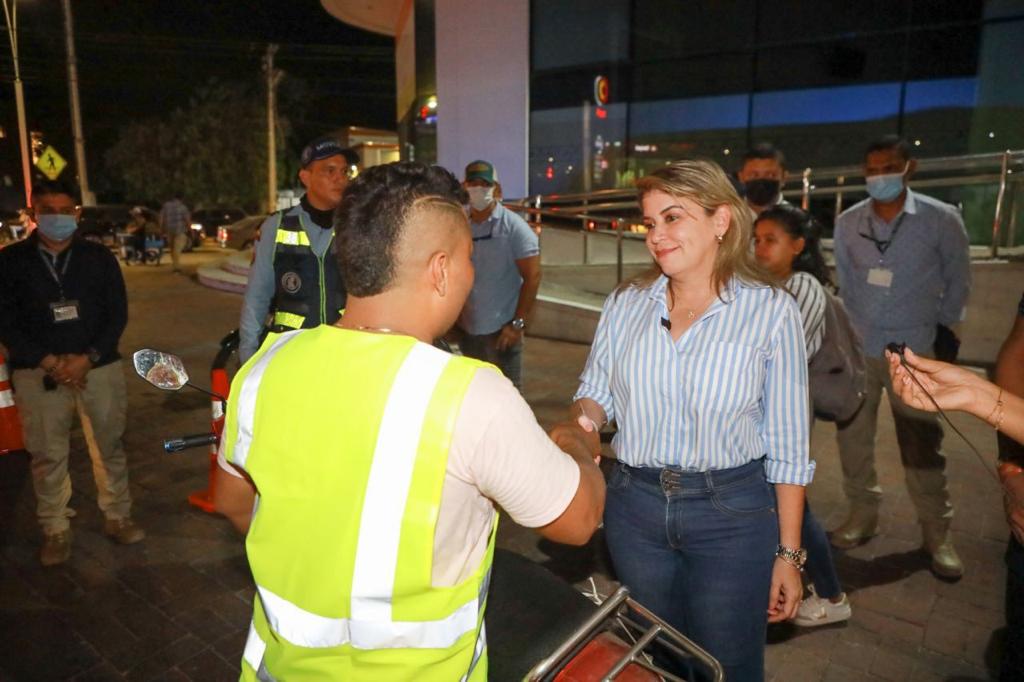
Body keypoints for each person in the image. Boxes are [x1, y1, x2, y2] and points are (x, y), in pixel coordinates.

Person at [213, 162, 604, 680]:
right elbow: (577, 522)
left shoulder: (266, 365)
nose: (471, 274)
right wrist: (577, 445)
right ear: (440, 269)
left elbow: (233, 501)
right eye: (468, 259)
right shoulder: (470, 395)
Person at [568, 159, 812, 680]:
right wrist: (579, 427)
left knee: (729, 664)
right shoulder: (627, 303)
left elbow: (790, 445)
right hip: (635, 506)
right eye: (650, 223)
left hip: (730, 513)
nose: (657, 235)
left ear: (721, 220)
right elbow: (594, 394)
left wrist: (789, 554)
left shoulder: (772, 312)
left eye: (672, 218)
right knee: (660, 657)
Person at [831, 135, 972, 580]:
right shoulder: (849, 221)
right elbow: (847, 283)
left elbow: (958, 278)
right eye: (872, 169)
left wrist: (946, 329)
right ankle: (862, 515)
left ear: (910, 167)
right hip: (859, 348)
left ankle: (937, 534)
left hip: (914, 351)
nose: (880, 176)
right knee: (853, 440)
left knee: (923, 445)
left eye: (889, 166)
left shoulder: (941, 219)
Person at [0, 178, 144, 567]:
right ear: (33, 215)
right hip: (38, 372)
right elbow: (6, 322)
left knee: (110, 446)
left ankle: (117, 516)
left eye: (66, 210)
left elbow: (117, 314)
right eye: (48, 210)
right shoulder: (11, 262)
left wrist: (88, 358)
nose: (58, 218)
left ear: (77, 213)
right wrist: (48, 361)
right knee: (47, 454)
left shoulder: (99, 258)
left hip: (98, 367)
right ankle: (55, 528)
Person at [754, 205, 852, 627]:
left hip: (781, 415)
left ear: (798, 246)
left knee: (793, 505)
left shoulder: (804, 287)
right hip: (757, 411)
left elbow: (782, 354)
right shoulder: (765, 285)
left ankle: (831, 594)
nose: (759, 248)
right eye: (755, 239)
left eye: (770, 240)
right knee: (781, 504)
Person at [238, 136, 356, 363]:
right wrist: (248, 360)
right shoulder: (276, 226)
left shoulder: (357, 225)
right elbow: (257, 298)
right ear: (306, 177)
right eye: (329, 171)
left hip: (344, 353)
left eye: (343, 172)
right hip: (290, 354)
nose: (339, 179)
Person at [455, 160, 541, 390]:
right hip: (468, 331)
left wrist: (517, 325)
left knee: (509, 398)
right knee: (473, 395)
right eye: (473, 183)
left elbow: (532, 276)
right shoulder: (459, 225)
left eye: (485, 183)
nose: (478, 189)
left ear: (497, 189)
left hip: (502, 333)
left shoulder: (515, 228)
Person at [737, 143, 789, 215]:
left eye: (770, 175)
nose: (761, 180)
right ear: (741, 177)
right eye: (753, 175)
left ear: (784, 177)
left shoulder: (798, 221)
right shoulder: (729, 219)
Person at [159, 193, 191, 273]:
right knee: (177, 248)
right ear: (182, 199)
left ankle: (175, 265)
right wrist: (190, 230)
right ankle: (176, 267)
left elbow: (162, 218)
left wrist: (161, 229)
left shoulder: (166, 206)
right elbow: (187, 220)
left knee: (172, 248)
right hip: (180, 230)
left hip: (169, 230)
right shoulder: (183, 207)